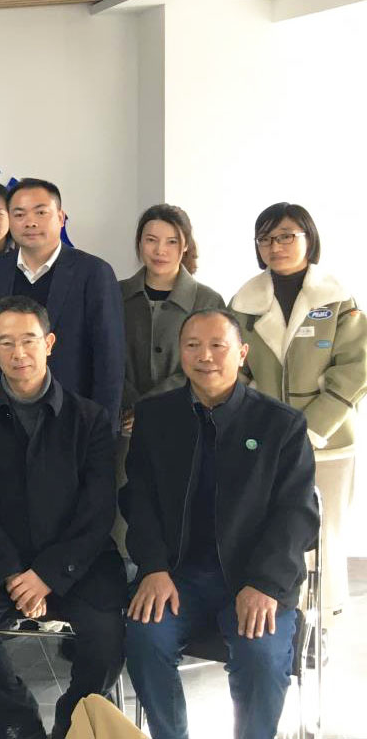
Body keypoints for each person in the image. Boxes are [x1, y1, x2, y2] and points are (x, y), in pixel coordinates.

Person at [123, 309, 318, 739]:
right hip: (178, 575)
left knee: (261, 656)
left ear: (242, 353)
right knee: (143, 638)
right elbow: (139, 499)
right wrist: (153, 567)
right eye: (193, 345)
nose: (205, 356)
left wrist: (265, 583)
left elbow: (297, 513)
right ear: (181, 353)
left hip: (255, 577)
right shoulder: (156, 417)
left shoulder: (281, 424)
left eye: (218, 345)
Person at [0, 297, 124, 739]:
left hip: (76, 561)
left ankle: (72, 718)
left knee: (109, 634)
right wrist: (11, 573)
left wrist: (47, 575)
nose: (18, 352)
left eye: (29, 340)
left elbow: (98, 510)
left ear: (50, 343)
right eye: (6, 342)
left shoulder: (90, 418)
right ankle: (18, 716)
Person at [228, 203, 366, 630]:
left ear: (309, 238)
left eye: (286, 235)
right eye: (266, 238)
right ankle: (280, 623)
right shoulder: (244, 302)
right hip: (264, 439)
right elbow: (235, 370)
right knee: (272, 531)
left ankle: (321, 625)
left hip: (328, 443)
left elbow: (355, 367)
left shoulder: (337, 298)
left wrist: (312, 430)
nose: (276, 246)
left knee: (324, 534)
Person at [116, 205, 224, 552]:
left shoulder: (207, 299)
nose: (160, 250)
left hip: (187, 419)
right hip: (123, 422)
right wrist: (127, 401)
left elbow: (212, 363)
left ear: (185, 245)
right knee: (126, 508)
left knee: (181, 510)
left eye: (171, 241)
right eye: (151, 240)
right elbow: (103, 355)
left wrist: (148, 406)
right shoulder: (116, 293)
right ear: (139, 243)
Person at [0, 178, 124, 427]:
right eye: (19, 214)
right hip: (7, 416)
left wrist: (103, 430)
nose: (30, 222)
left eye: (40, 212)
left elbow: (109, 360)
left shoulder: (93, 272)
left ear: (60, 217)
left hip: (73, 418)